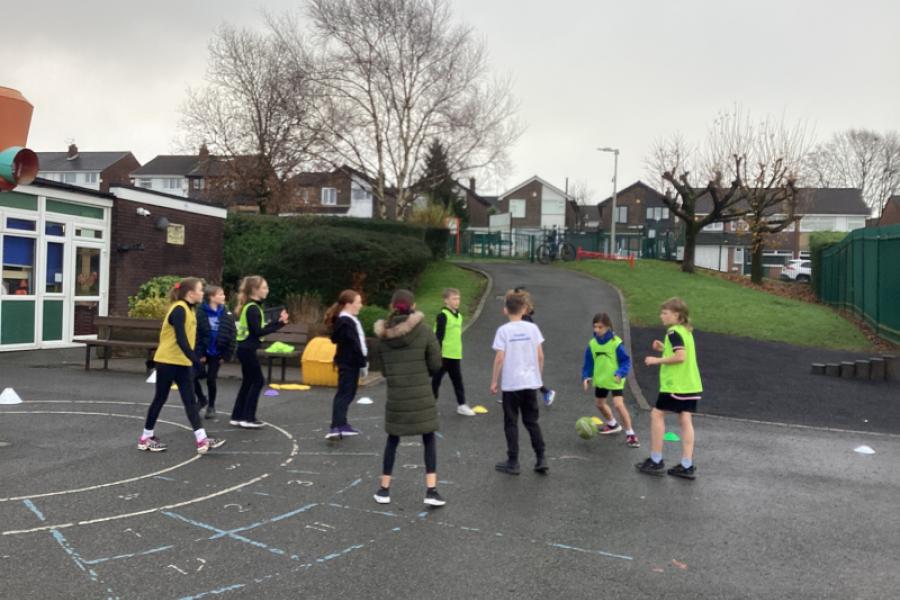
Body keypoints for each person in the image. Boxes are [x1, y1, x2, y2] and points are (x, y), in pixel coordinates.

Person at [372, 289, 446, 506]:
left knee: (393, 439)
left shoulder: (384, 336)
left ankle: (384, 489)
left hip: (397, 395)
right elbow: (436, 364)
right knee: (428, 438)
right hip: (421, 393)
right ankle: (431, 490)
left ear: (392, 307)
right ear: (413, 306)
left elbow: (384, 370)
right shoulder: (424, 331)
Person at [137, 277, 225, 454]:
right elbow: (181, 340)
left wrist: (193, 360)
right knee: (160, 398)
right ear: (191, 293)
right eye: (200, 290)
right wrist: (196, 361)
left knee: (190, 401)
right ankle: (145, 437)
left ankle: (201, 439)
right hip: (167, 361)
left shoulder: (190, 310)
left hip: (182, 362)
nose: (203, 293)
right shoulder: (179, 309)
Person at [637, 297, 703, 480]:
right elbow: (679, 352)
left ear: (677, 316)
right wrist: (664, 348)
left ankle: (656, 460)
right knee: (685, 418)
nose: (661, 316)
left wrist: (656, 360)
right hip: (690, 384)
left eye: (665, 313)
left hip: (675, 385)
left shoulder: (673, 332)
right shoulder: (686, 332)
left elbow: (680, 357)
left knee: (657, 414)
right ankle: (686, 465)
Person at [490, 290, 548, 475]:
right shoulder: (533, 329)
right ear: (524, 309)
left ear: (506, 310)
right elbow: (540, 355)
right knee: (531, 421)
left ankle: (513, 461)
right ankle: (541, 458)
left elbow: (500, 358)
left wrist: (494, 381)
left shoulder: (503, 331)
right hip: (530, 382)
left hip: (511, 384)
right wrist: (538, 377)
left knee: (511, 422)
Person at [230, 276, 288, 429]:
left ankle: (237, 416)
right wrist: (279, 324)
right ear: (255, 290)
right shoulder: (253, 308)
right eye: (264, 287)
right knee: (258, 381)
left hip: (244, 348)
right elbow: (259, 331)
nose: (267, 290)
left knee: (248, 381)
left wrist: (279, 323)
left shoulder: (251, 307)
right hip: (247, 349)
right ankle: (248, 418)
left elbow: (258, 329)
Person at [581, 312, 639, 447]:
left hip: (615, 379)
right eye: (595, 327)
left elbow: (626, 361)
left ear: (608, 327)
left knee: (618, 404)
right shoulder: (592, 344)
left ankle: (631, 434)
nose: (597, 330)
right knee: (600, 404)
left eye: (600, 327)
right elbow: (588, 363)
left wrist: (620, 373)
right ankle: (613, 424)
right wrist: (586, 377)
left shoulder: (615, 343)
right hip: (601, 379)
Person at [324, 289, 368, 440]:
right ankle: (336, 425)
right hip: (349, 362)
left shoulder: (348, 320)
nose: (360, 305)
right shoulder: (345, 322)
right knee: (345, 393)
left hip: (350, 361)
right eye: (358, 302)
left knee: (349, 393)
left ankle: (341, 423)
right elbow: (354, 344)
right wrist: (362, 362)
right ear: (349, 304)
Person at [194, 285, 237, 420]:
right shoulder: (200, 313)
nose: (224, 297)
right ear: (211, 297)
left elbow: (232, 335)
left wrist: (226, 355)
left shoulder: (227, 314)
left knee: (211, 379)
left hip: (217, 352)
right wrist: (200, 353)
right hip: (203, 350)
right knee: (192, 376)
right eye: (220, 294)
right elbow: (196, 334)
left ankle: (211, 406)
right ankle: (202, 399)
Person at [432, 287, 475, 416]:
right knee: (436, 380)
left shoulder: (459, 316)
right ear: (446, 300)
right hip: (443, 355)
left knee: (458, 381)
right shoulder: (442, 316)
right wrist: (437, 353)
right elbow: (438, 336)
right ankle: (430, 406)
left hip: (455, 355)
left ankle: (462, 405)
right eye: (454, 299)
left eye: (458, 299)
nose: (457, 301)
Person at [513, 286, 556, 406]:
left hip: (528, 352)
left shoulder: (526, 320)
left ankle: (546, 392)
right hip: (524, 352)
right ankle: (513, 395)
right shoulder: (520, 318)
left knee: (528, 376)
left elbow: (529, 339)